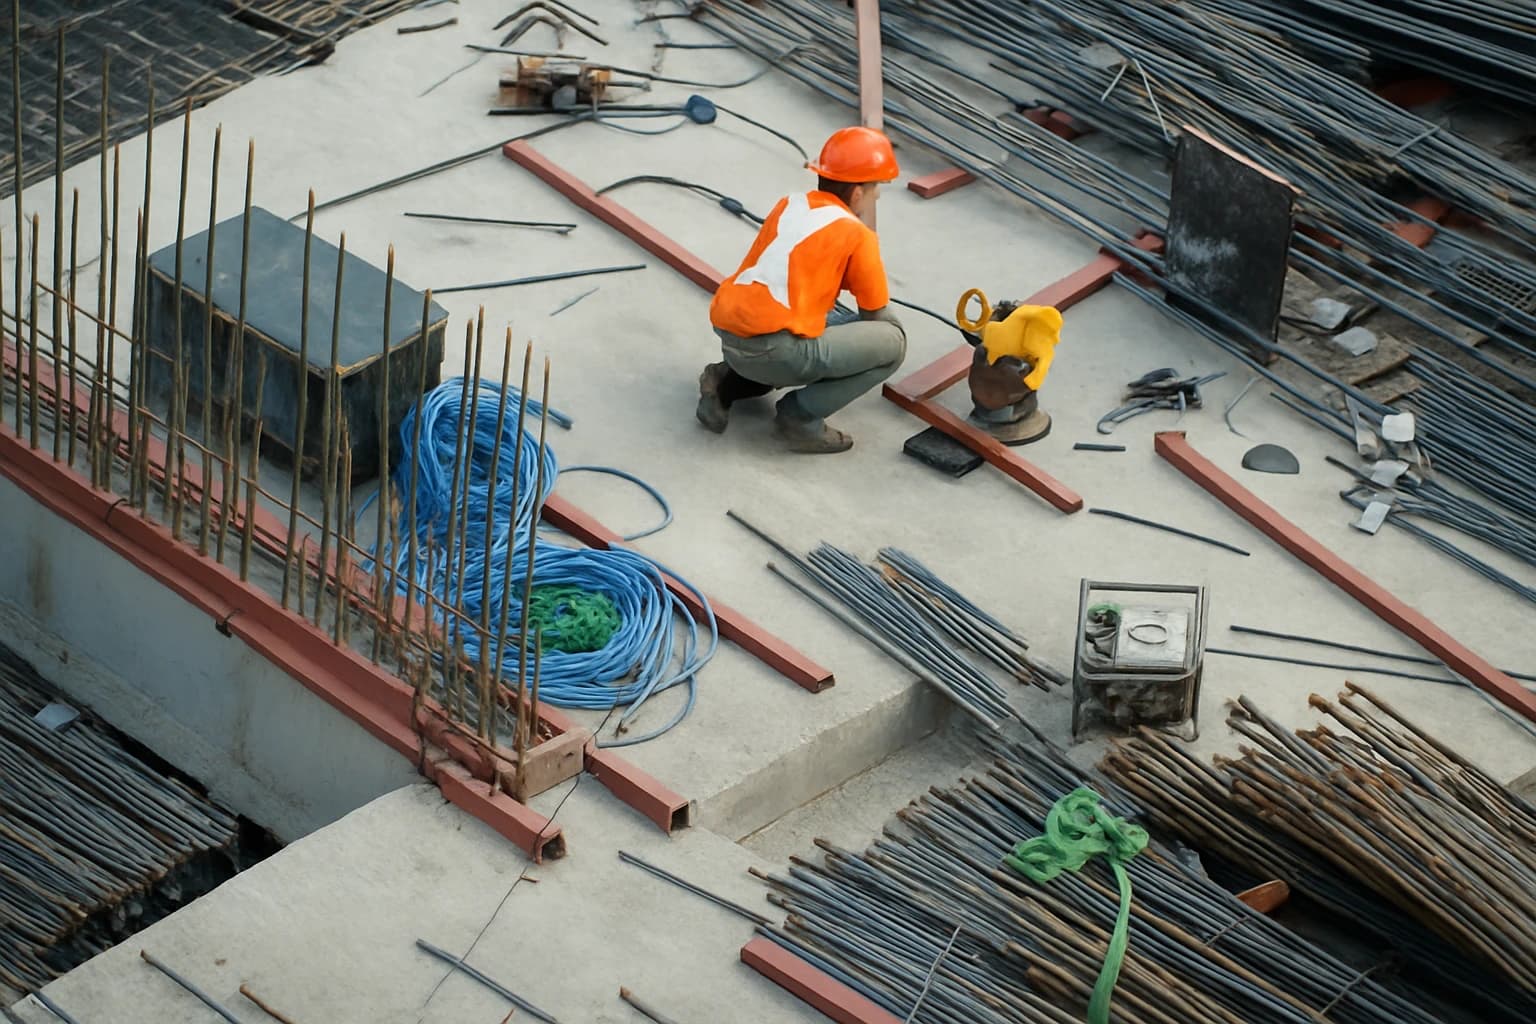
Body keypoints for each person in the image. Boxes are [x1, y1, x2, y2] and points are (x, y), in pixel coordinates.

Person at [696, 126, 907, 454]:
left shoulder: (789, 205)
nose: (877, 195)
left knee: (824, 316)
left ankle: (725, 383)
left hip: (731, 332)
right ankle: (800, 418)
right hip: (775, 351)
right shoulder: (857, 233)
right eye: (876, 186)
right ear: (856, 194)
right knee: (893, 342)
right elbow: (875, 313)